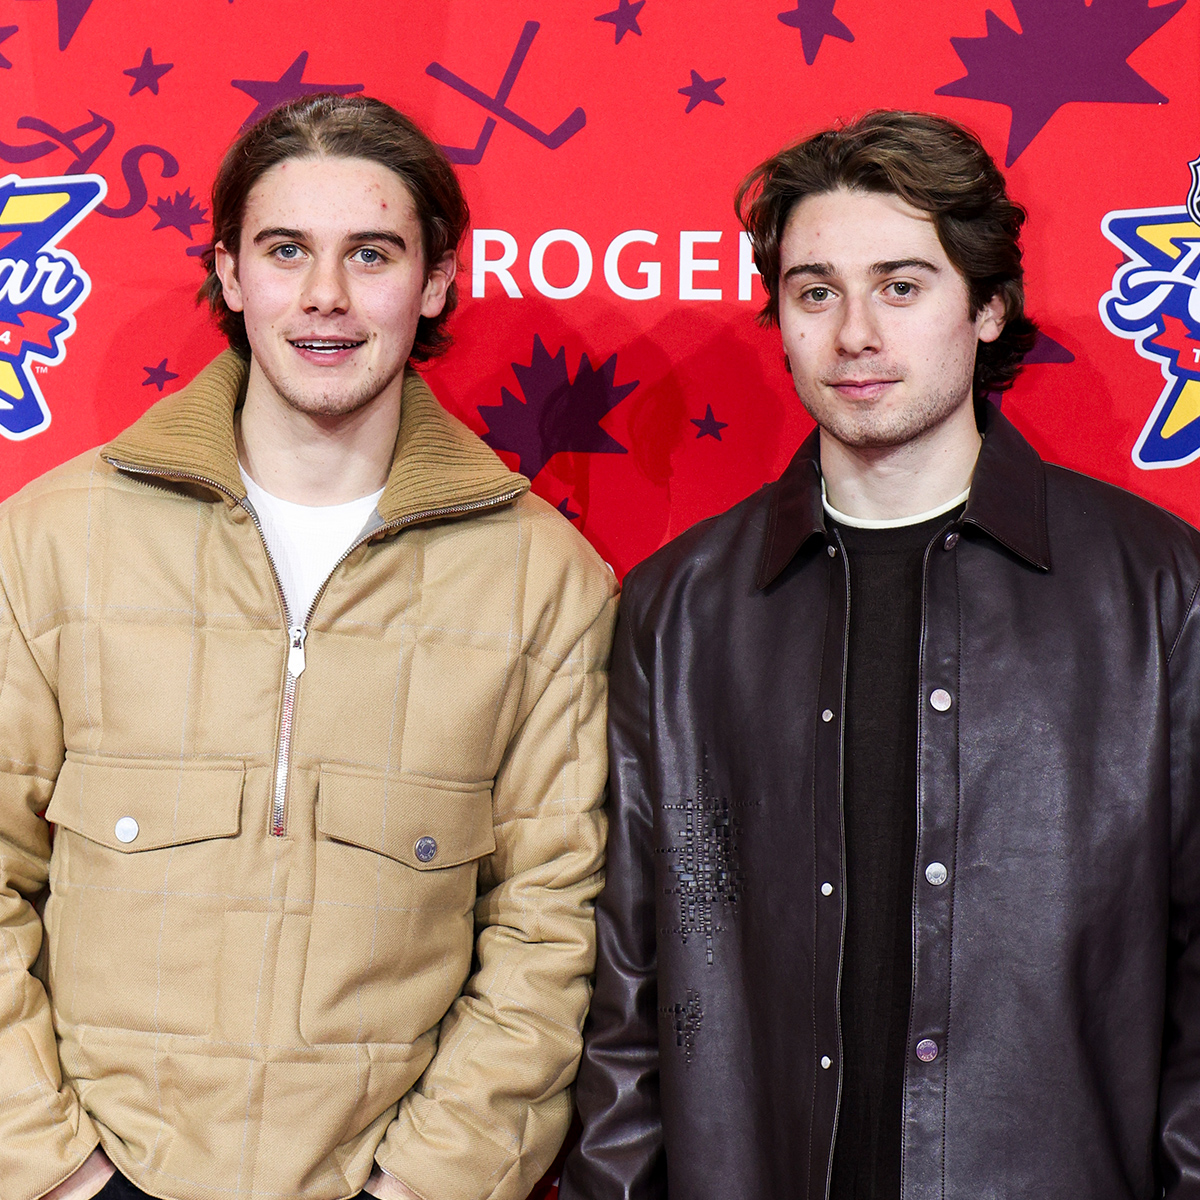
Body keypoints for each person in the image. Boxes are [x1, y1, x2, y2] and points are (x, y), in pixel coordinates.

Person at [560, 109, 1200, 1199]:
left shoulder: (1157, 592)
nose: (854, 333)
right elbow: (626, 991)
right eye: (816, 293)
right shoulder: (682, 608)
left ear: (987, 306)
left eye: (901, 287)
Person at [0, 94, 617, 1200]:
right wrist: (61, 1178)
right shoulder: (47, 541)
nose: (325, 294)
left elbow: (550, 930)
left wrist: (421, 1188)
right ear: (231, 274)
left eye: (370, 254)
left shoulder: (546, 580)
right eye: (286, 250)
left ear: (435, 281)